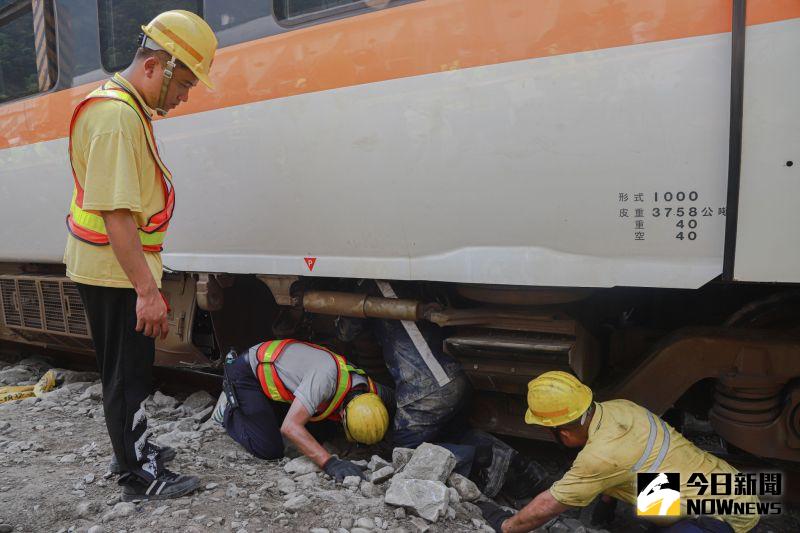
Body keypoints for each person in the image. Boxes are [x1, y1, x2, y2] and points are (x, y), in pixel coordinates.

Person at [64, 10, 217, 501]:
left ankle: (130, 449)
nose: (185, 95)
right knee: (126, 372)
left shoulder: (123, 109)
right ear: (157, 66)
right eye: (185, 83)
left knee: (129, 368)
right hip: (114, 271)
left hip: (113, 267)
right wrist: (147, 293)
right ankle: (138, 475)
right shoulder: (115, 118)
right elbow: (116, 217)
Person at [336, 280, 549, 501]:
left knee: (406, 451)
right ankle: (523, 468)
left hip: (426, 389)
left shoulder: (370, 285)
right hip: (456, 375)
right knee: (452, 433)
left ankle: (481, 457)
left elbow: (346, 332)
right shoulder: (412, 277)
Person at [478, 371, 760, 533]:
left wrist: (505, 525)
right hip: (732, 488)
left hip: (723, 520)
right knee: (647, 497)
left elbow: (547, 505)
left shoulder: (599, 457)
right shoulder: (620, 409)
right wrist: (607, 504)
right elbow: (630, 464)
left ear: (561, 431)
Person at [217, 339, 394, 482]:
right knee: (269, 449)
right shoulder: (323, 381)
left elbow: (394, 399)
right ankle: (229, 408)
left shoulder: (371, 389)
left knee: (322, 433)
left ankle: (263, 411)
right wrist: (330, 463)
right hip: (247, 373)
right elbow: (290, 427)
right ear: (343, 414)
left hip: (282, 382)